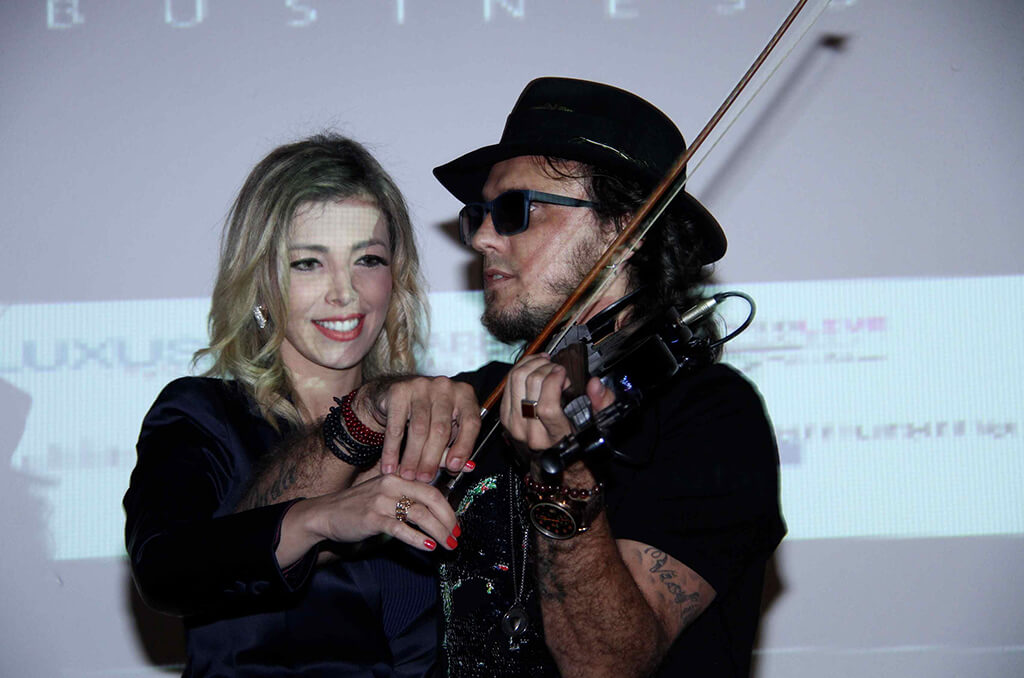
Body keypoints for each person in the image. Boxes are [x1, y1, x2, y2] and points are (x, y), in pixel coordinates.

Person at [431, 78, 786, 676]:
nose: (484, 238)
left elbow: (606, 667)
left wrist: (560, 476)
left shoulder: (713, 415)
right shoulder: (483, 393)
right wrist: (369, 413)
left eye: (517, 210)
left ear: (625, 232)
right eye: (479, 216)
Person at [124, 133, 477, 677]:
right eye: (308, 263)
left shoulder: (428, 425)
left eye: (368, 259)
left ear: (396, 275)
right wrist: (323, 517)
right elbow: (164, 572)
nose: (345, 293)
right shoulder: (204, 416)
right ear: (260, 282)